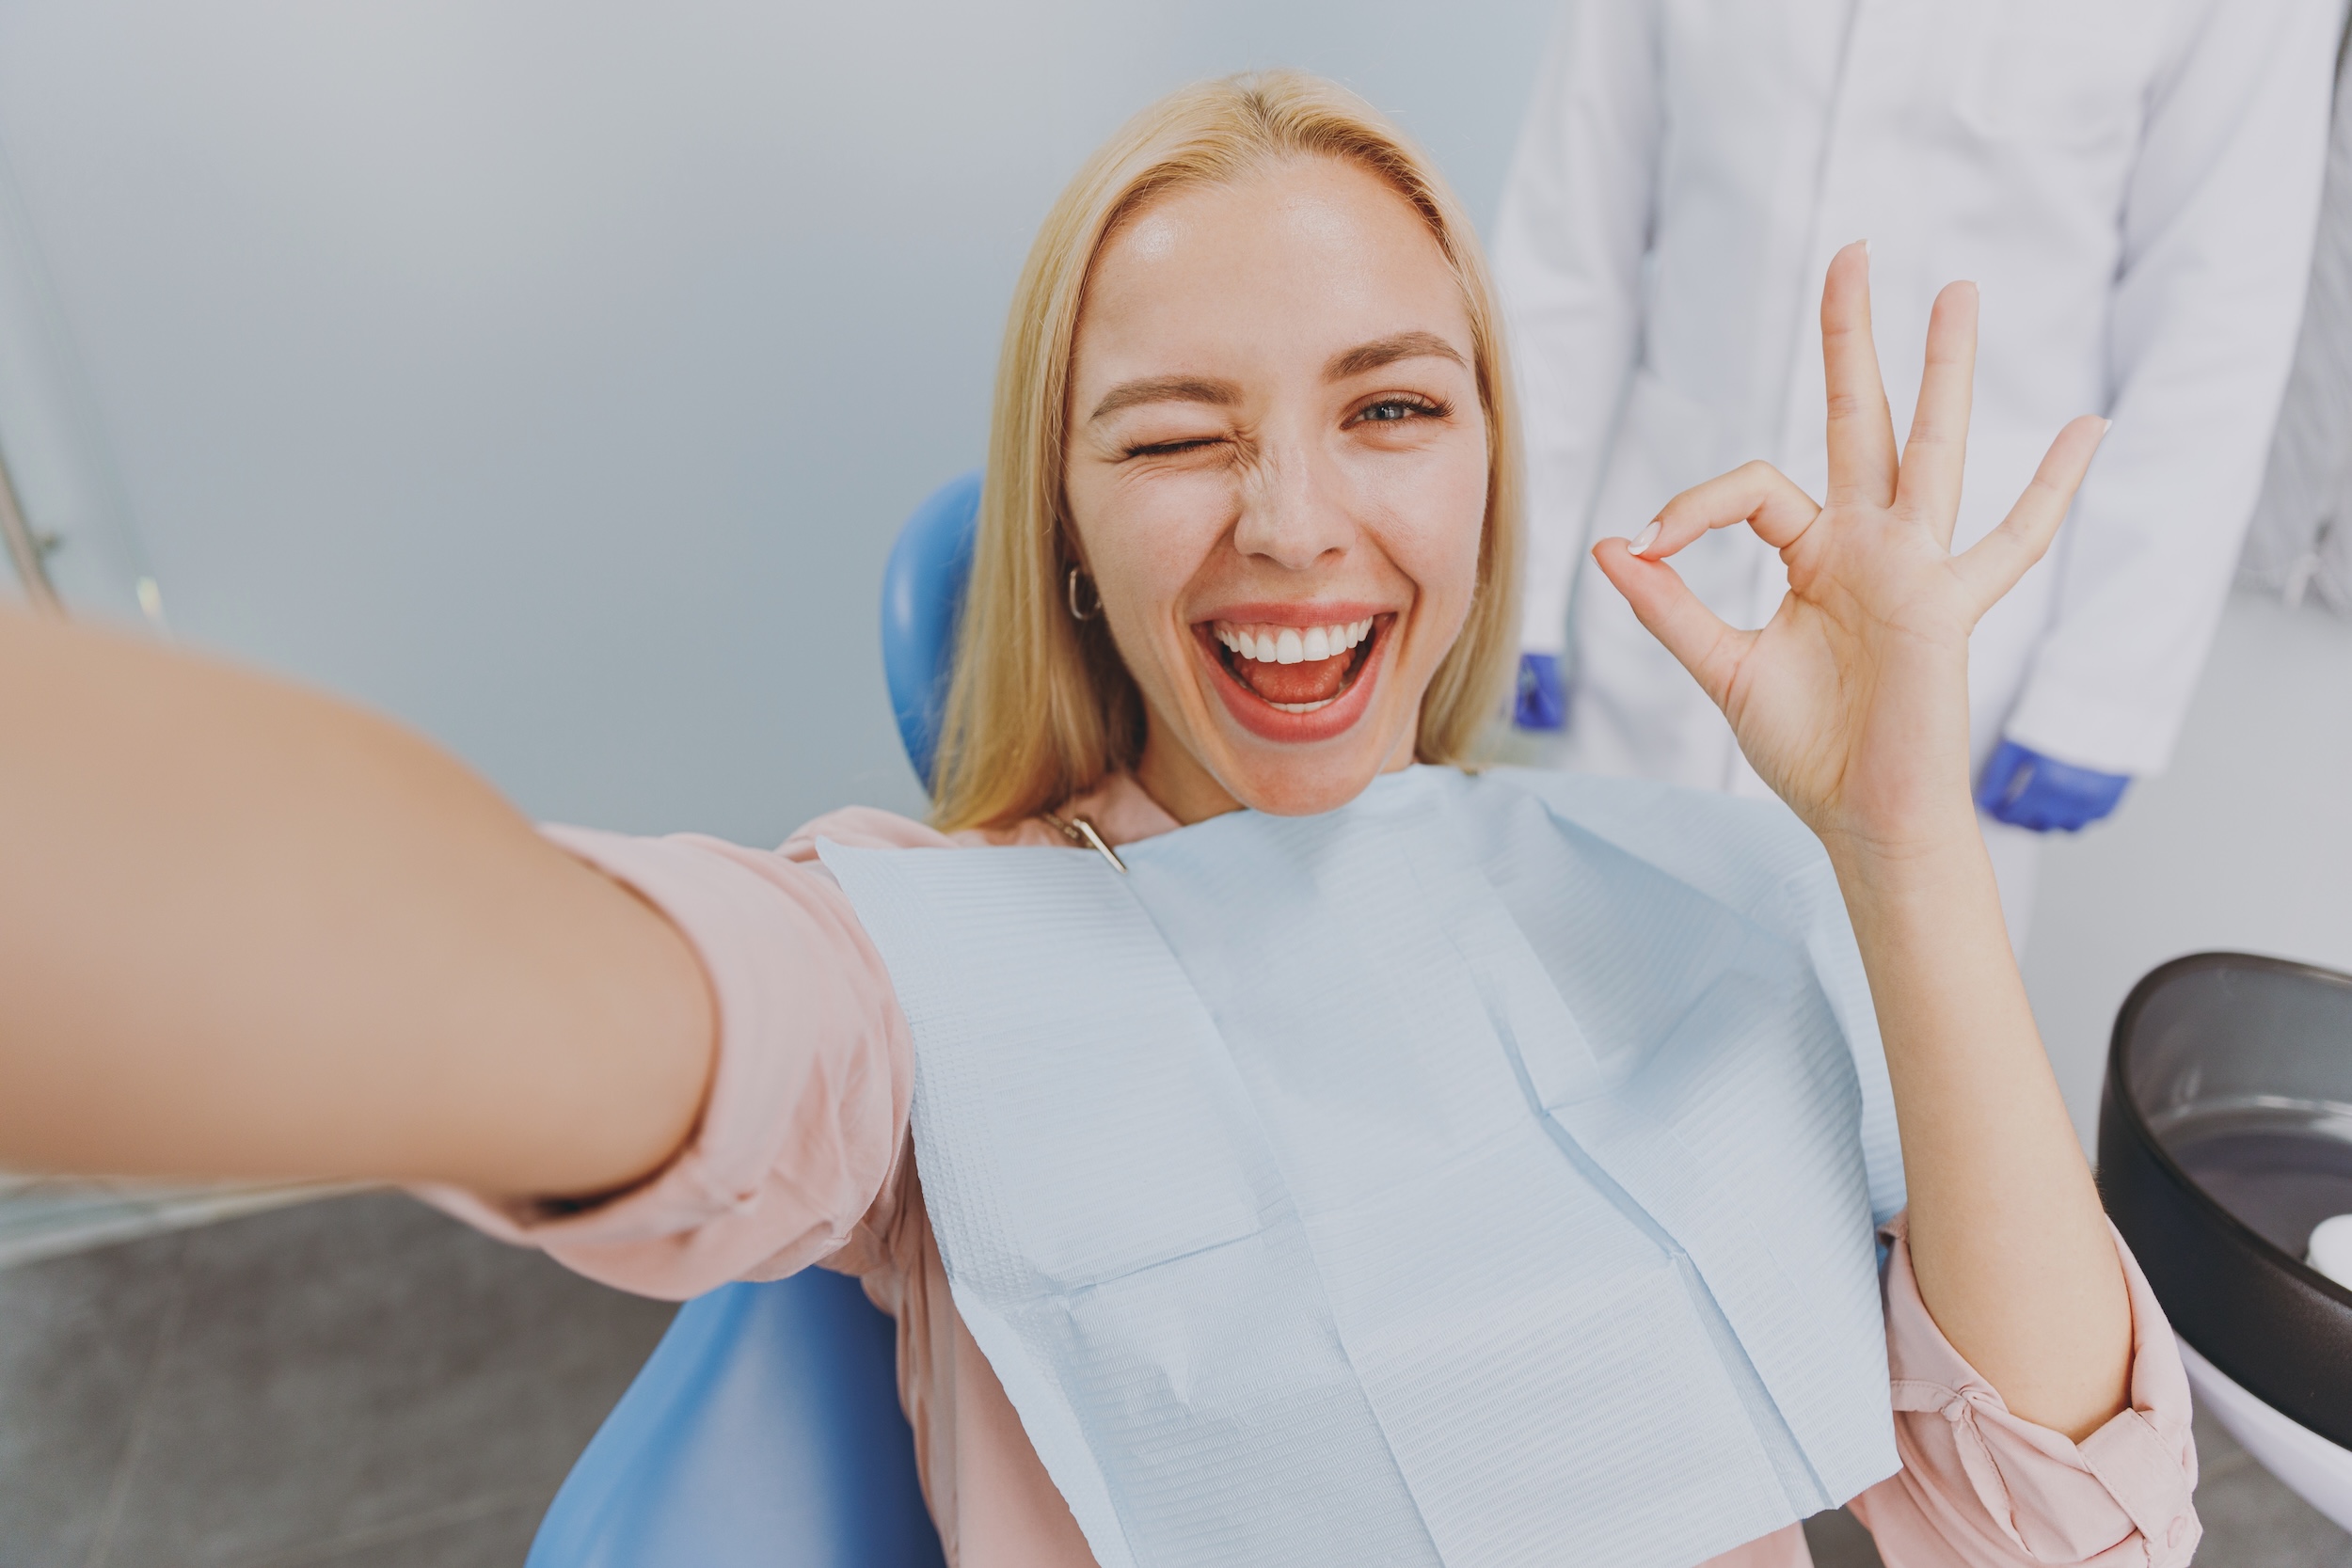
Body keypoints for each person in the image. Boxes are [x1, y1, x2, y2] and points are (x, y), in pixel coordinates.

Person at [1, 73, 2196, 1568]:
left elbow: (2067, 1535)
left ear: (1485, 471)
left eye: (1390, 409)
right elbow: (524, 987)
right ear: (1061, 526)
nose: (1299, 524)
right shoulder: (915, 962)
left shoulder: (1679, 896)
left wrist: (1904, 844)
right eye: (1175, 439)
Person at [1497, 0, 2344, 941]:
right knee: (1577, 978)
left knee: (1883, 1042)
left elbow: (2215, 315)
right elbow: (1572, 221)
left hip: (1957, 640)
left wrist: (2104, 687)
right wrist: (1510, 563)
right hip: (1657, 586)